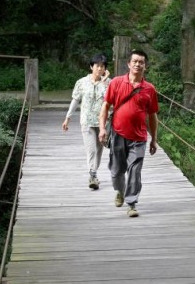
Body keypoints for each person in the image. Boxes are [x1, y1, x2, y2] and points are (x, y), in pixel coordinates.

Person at [98, 49, 159, 218]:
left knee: (135, 171)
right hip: (118, 133)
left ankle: (132, 203)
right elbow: (105, 107)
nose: (138, 64)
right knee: (117, 171)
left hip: (139, 137)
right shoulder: (116, 83)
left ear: (145, 66)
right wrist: (102, 128)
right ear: (129, 64)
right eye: (135, 61)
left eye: (141, 62)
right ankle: (119, 190)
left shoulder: (149, 89)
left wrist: (154, 139)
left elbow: (153, 115)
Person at [62, 53, 111, 190]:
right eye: (97, 66)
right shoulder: (81, 82)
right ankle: (92, 174)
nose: (100, 69)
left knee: (99, 151)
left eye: (102, 66)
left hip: (102, 124)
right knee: (91, 150)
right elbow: (75, 100)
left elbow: (112, 100)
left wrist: (105, 81)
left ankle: (94, 173)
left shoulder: (109, 83)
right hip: (87, 122)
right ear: (91, 66)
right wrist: (68, 118)